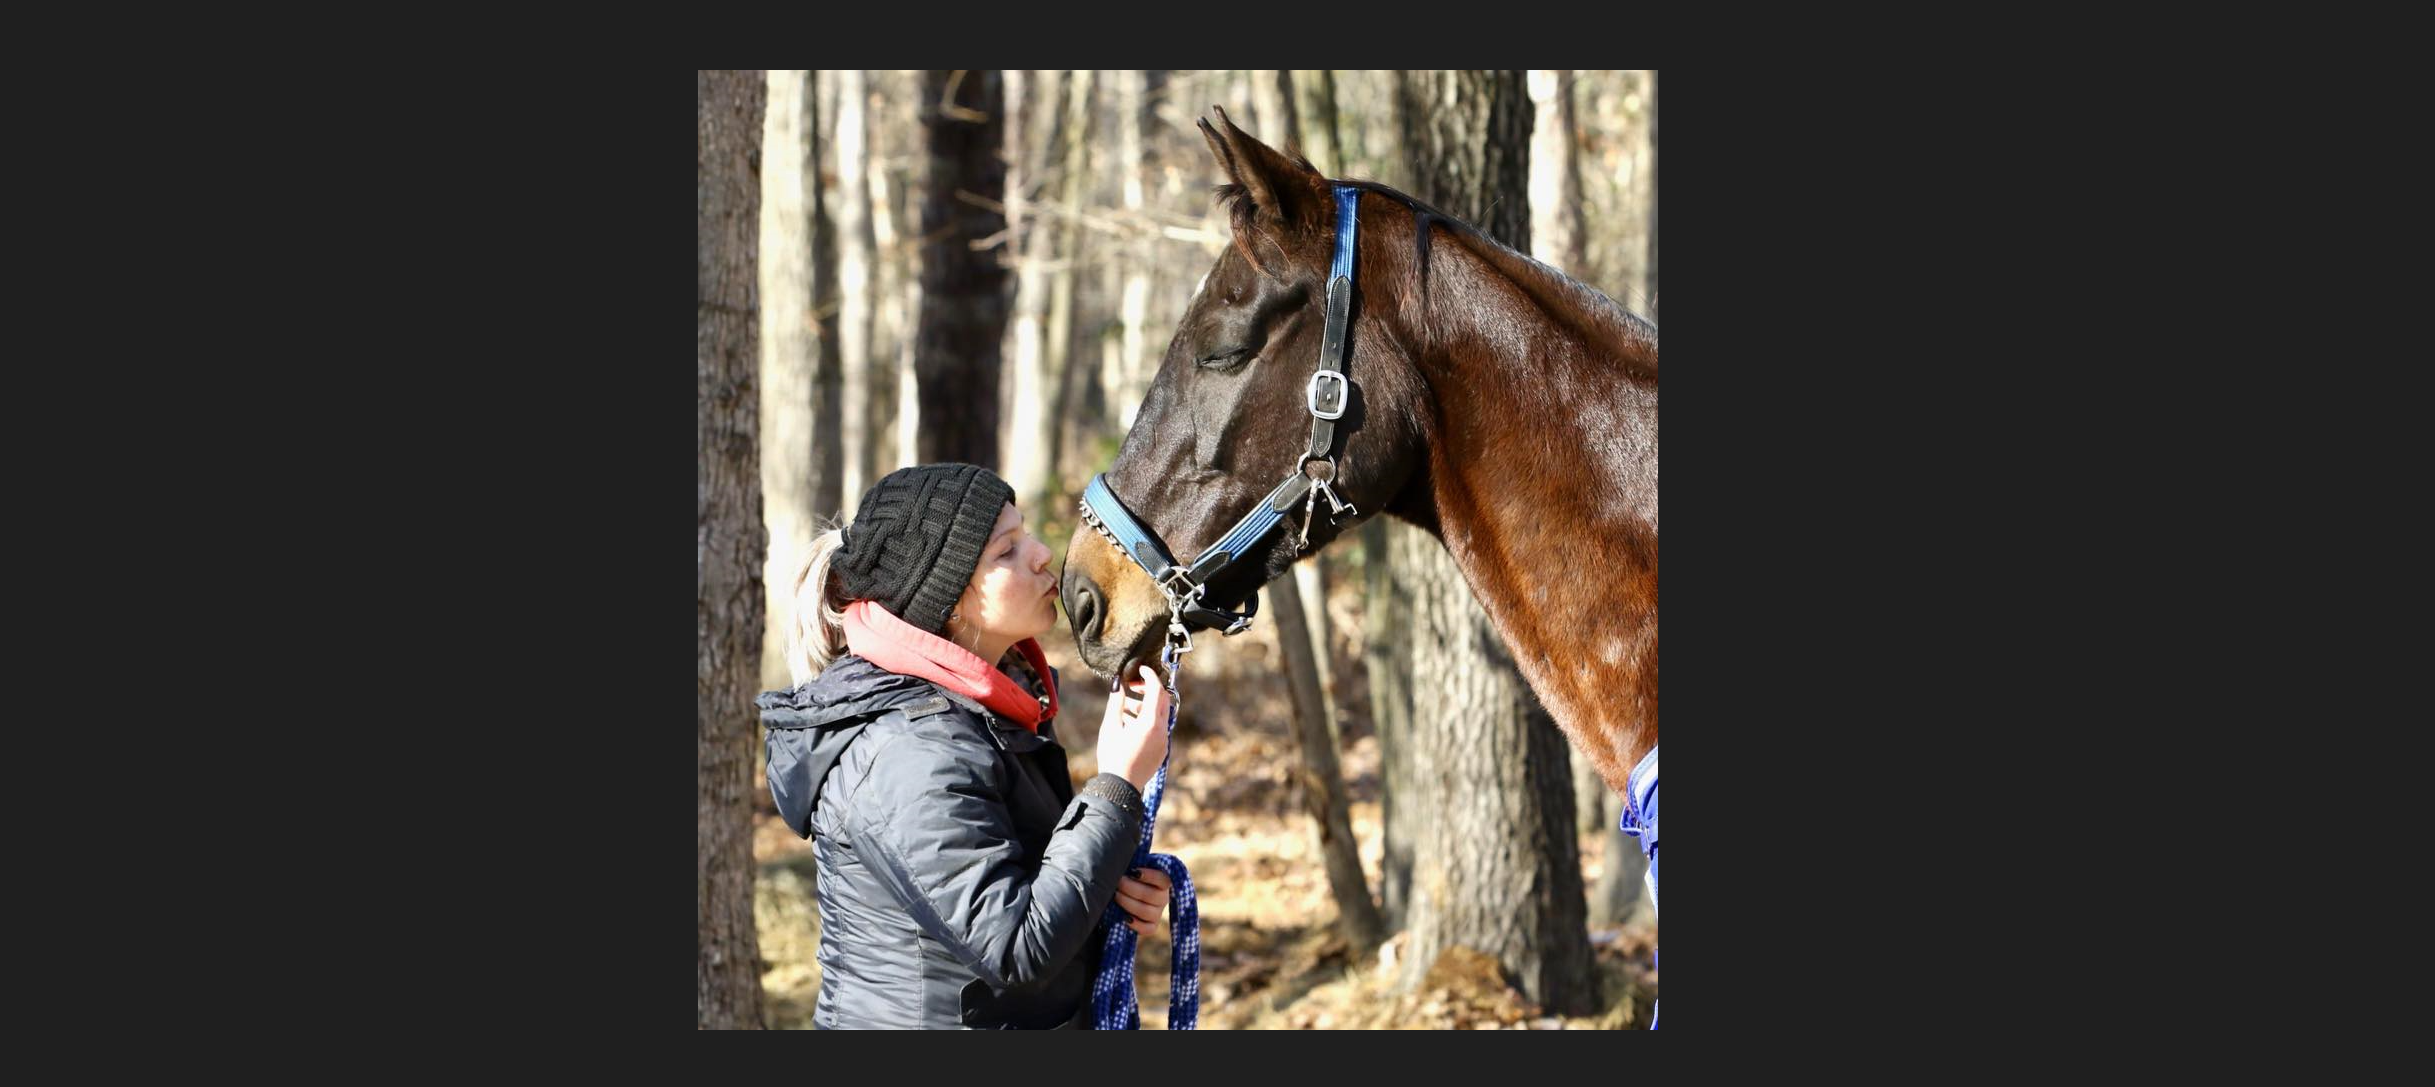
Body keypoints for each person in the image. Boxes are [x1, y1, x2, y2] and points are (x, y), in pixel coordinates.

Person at [758, 462, 1176, 1029]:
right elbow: (1016, 947)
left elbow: (1016, 892)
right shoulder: (907, 750)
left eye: (1025, 531)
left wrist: (1108, 894)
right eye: (1007, 551)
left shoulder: (989, 709)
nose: (1041, 554)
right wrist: (1116, 786)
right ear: (949, 600)